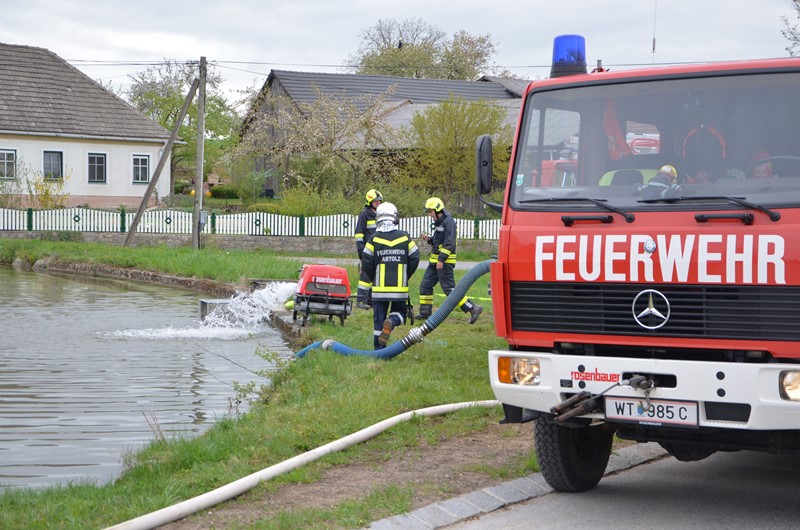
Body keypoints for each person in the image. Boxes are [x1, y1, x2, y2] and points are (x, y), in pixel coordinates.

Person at [360, 202, 420, 349]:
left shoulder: (373, 239)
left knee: (378, 320)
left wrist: (374, 276)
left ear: (378, 218)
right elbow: (415, 257)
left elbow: (366, 261)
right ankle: (392, 322)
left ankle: (379, 350)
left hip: (380, 289)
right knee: (400, 312)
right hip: (399, 288)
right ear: (394, 217)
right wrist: (406, 274)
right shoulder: (404, 237)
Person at [417, 197, 483, 324]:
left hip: (444, 263)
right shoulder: (439, 223)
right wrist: (429, 239)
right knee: (425, 285)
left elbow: (449, 243)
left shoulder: (449, 222)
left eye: (430, 212)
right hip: (434, 262)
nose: (429, 215)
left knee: (449, 290)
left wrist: (441, 260)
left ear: (437, 210)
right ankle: (425, 314)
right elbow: (438, 241)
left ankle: (473, 308)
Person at [354, 189, 383, 310]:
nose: (378, 203)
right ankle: (360, 300)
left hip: (379, 251)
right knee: (365, 276)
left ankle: (370, 300)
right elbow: (359, 234)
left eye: (379, 201)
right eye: (375, 201)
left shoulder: (381, 214)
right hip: (367, 250)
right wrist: (361, 250)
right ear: (369, 201)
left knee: (376, 275)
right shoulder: (364, 214)